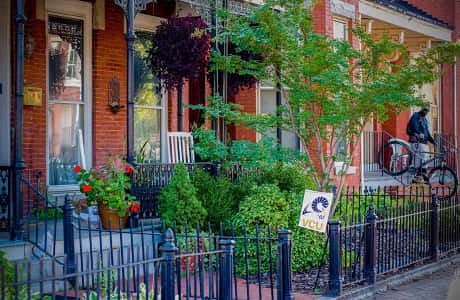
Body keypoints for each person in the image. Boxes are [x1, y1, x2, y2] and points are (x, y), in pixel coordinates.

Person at [406, 107, 435, 176]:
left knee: (427, 156)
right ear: (422, 110)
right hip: (417, 141)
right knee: (420, 157)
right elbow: (413, 126)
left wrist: (433, 141)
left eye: (427, 111)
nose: (426, 112)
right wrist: (419, 133)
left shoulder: (424, 119)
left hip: (424, 142)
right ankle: (418, 172)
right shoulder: (416, 115)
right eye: (425, 110)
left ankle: (423, 172)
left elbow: (427, 132)